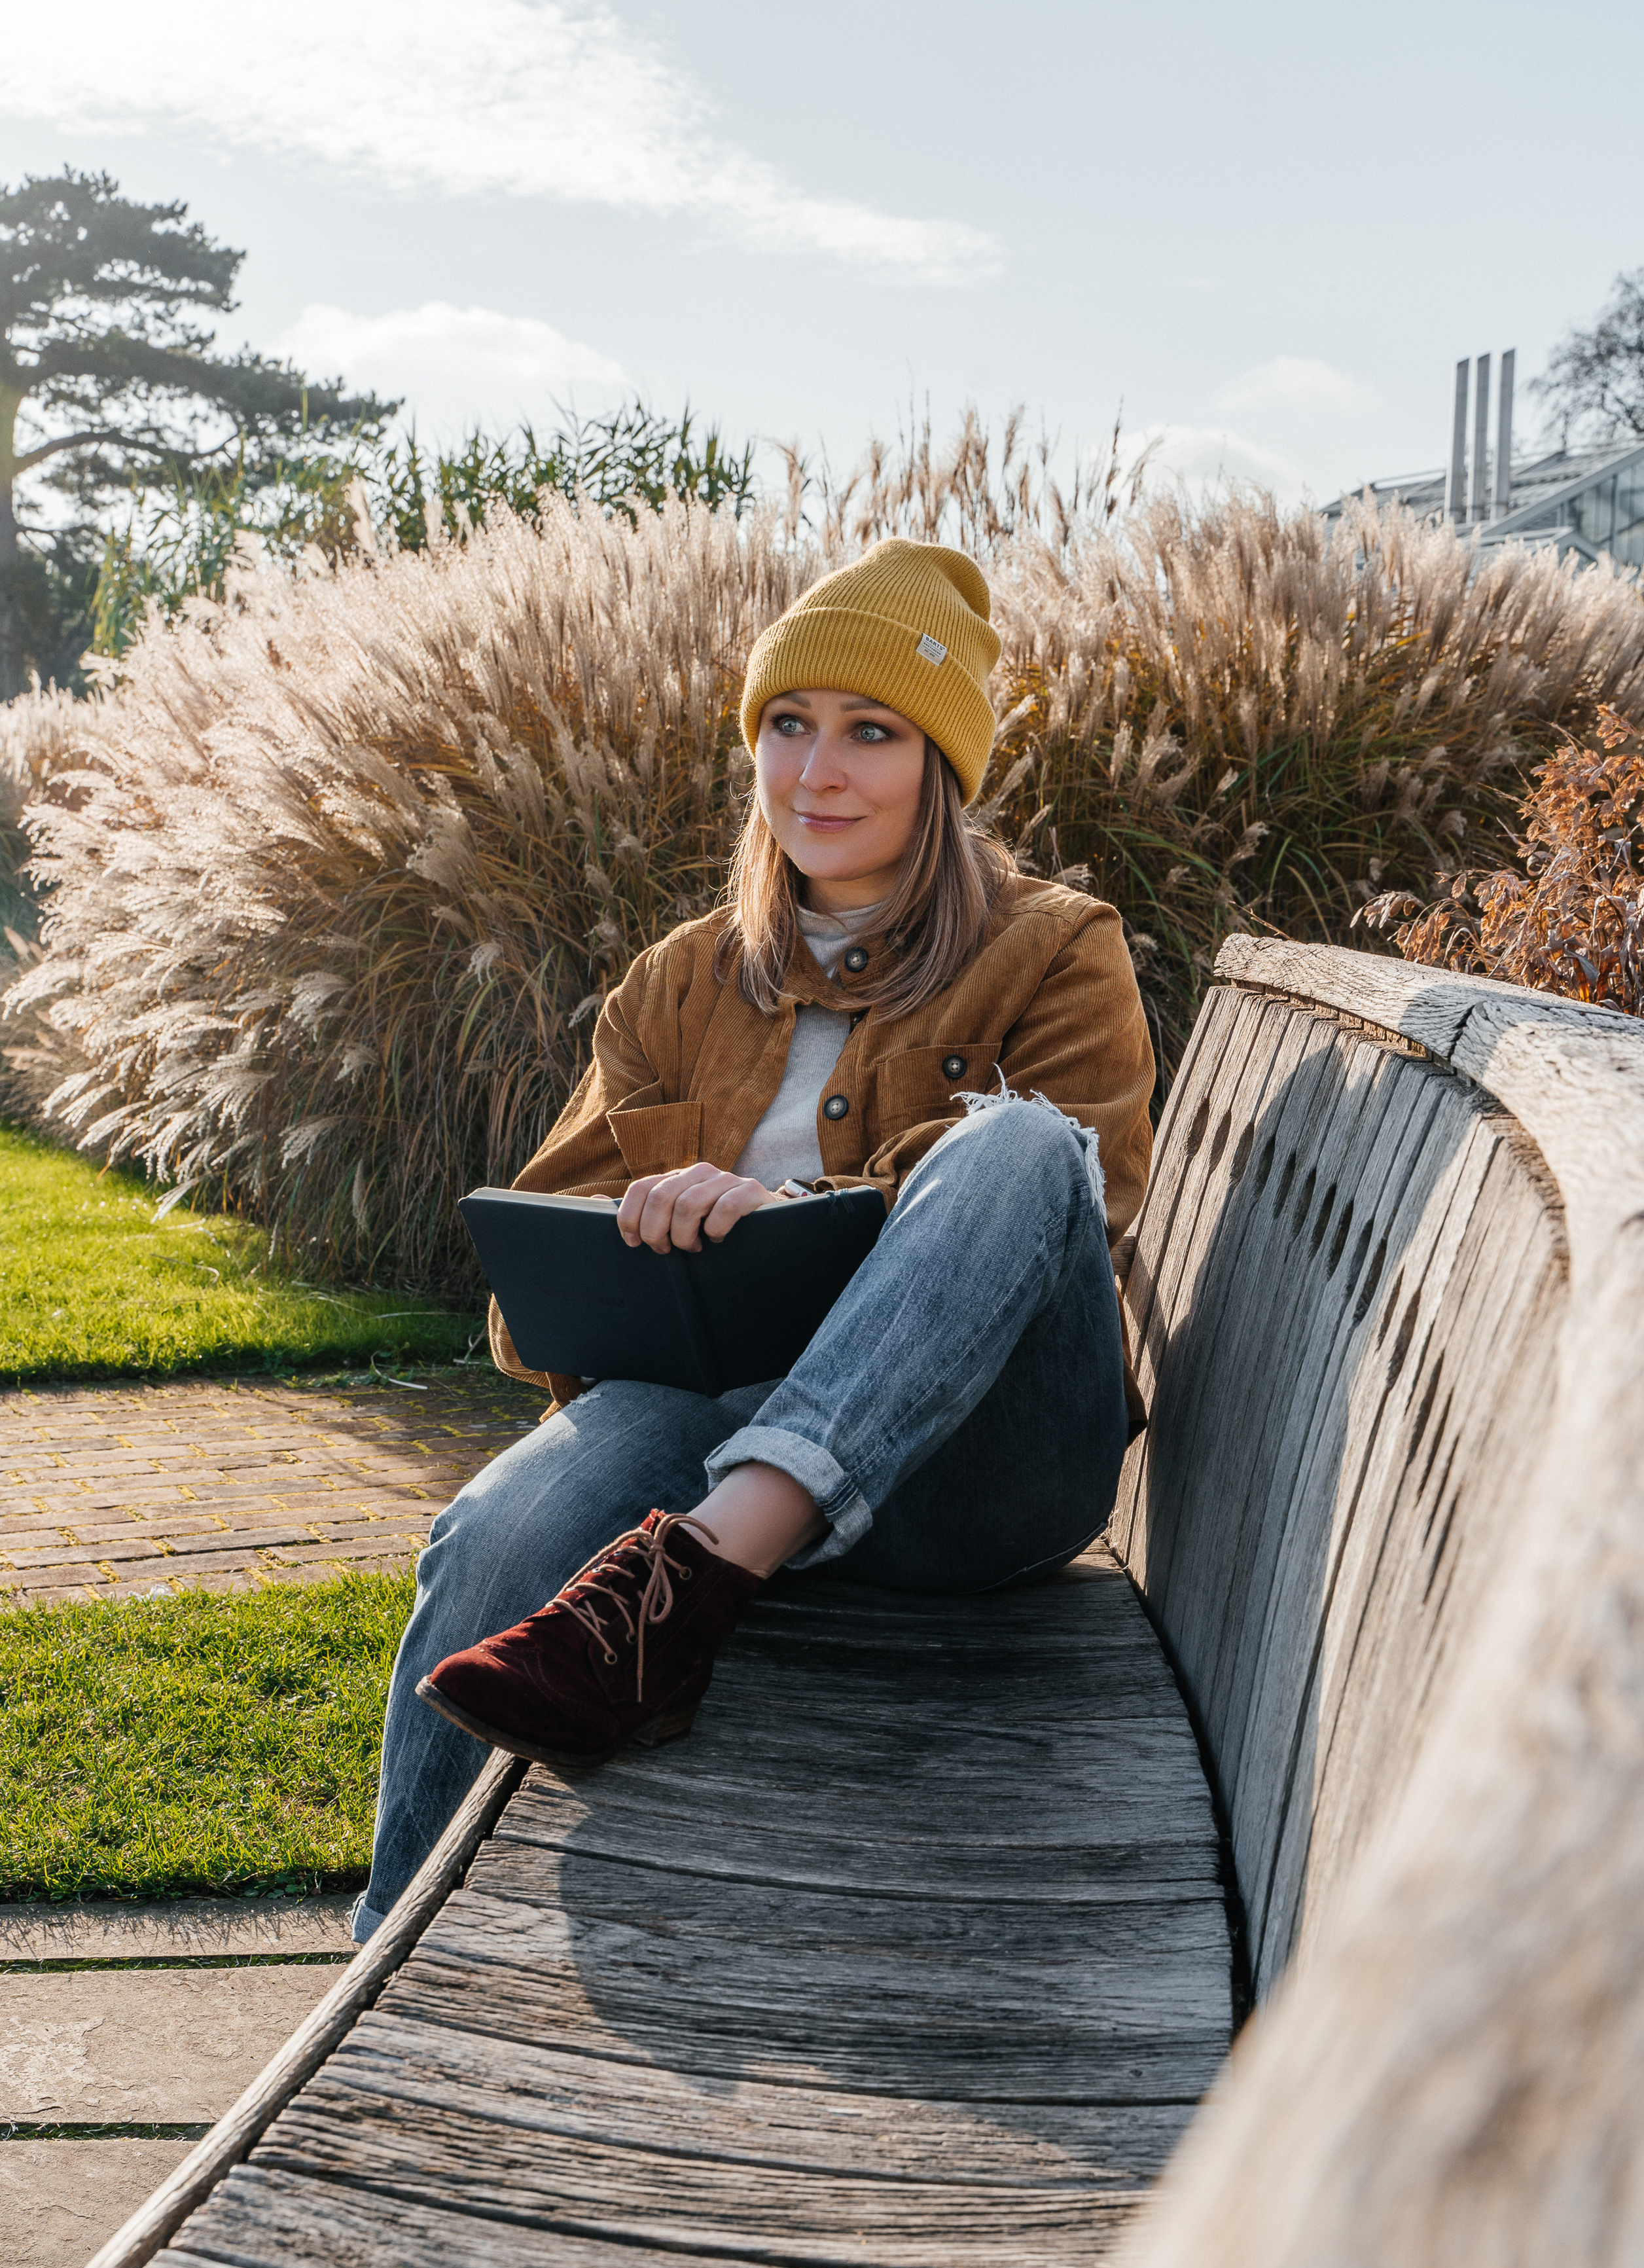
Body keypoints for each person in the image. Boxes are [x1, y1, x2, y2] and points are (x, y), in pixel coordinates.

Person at [350, 539, 1154, 1943]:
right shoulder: (674, 981)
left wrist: (794, 1218)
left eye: (869, 733)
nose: (815, 772)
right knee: (494, 1534)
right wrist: (637, 1234)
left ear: (940, 767)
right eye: (787, 725)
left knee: (1024, 1141)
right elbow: (527, 1301)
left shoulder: (1051, 948)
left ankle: (692, 1581)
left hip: (979, 1470)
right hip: (706, 1411)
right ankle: (386, 1956)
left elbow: (1080, 1203)